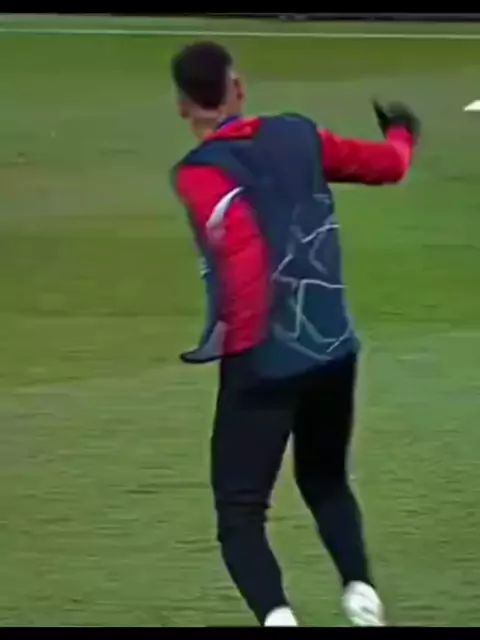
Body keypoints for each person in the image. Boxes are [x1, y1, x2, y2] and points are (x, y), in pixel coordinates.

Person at [170, 41, 420, 627]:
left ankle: (279, 618)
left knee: (240, 512)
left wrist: (232, 346)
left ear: (183, 105)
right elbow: (390, 166)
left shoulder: (199, 174)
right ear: (238, 89)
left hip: (263, 358)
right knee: (326, 478)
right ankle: (361, 593)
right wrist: (402, 132)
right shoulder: (297, 135)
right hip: (333, 348)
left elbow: (241, 256)